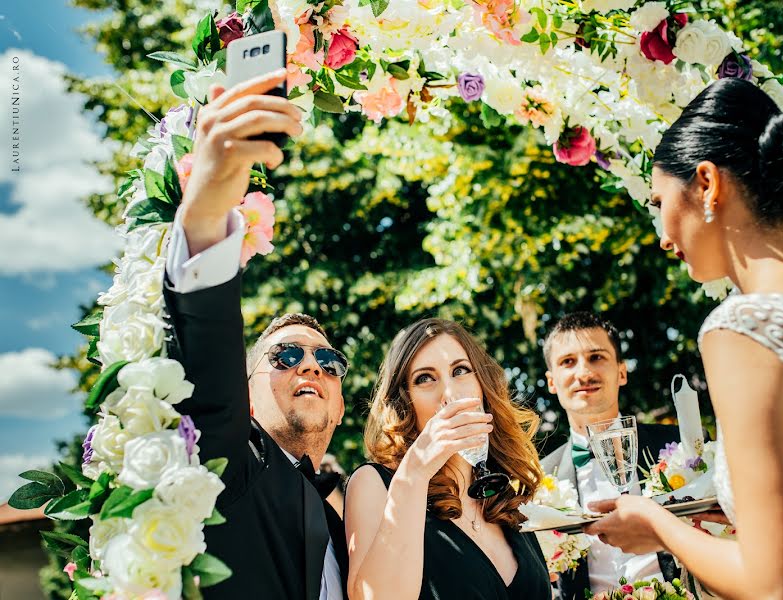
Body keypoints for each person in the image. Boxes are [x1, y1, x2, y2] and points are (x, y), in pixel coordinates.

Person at [584, 77, 783, 599]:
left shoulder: (743, 330)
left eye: (659, 202)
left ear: (706, 184)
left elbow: (776, 587)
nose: (663, 237)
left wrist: (659, 526)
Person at [162, 68, 349, 600]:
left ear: (340, 406)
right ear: (244, 391)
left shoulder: (351, 529)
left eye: (328, 362)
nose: (311, 366)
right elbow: (206, 352)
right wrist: (208, 207)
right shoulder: (227, 463)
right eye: (285, 355)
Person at [343, 318, 552, 600]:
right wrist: (415, 473)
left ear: (482, 386)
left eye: (461, 371)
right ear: (404, 402)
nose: (450, 394)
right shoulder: (374, 484)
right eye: (425, 378)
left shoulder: (502, 495)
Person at [539, 311, 685, 598]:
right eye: (568, 362)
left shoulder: (680, 447)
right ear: (552, 381)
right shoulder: (540, 479)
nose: (583, 373)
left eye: (596, 357)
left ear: (621, 371)